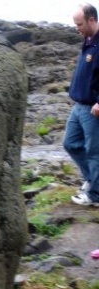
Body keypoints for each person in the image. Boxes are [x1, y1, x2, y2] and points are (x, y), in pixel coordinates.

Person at [64, 3, 99, 206]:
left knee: (94, 151)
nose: (76, 28)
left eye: (79, 24)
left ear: (91, 20)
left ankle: (95, 195)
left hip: (92, 108)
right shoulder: (88, 39)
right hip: (78, 105)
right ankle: (91, 179)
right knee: (70, 143)